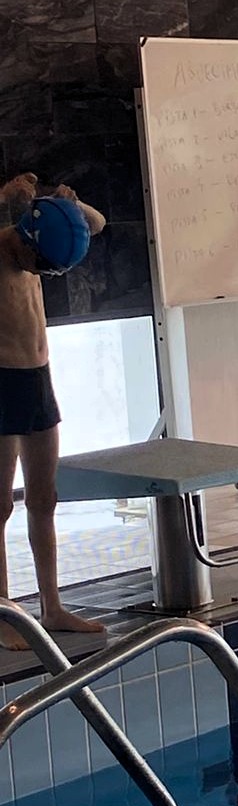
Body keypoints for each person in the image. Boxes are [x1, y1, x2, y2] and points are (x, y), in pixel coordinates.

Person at [1, 172, 108, 651]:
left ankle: (52, 606)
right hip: (1, 382)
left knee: (44, 499)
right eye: (37, 263)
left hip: (38, 379)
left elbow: (97, 224)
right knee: (0, 505)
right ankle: (3, 614)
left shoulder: (41, 240)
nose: (38, 273)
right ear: (24, 238)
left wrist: (71, 204)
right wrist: (4, 197)